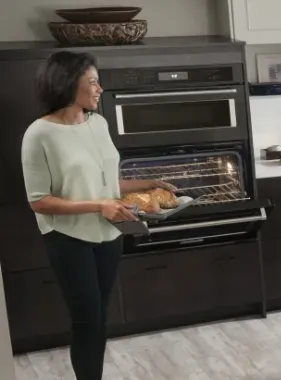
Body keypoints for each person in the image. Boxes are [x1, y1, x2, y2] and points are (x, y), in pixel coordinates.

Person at [21, 51, 174, 380]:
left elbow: (103, 181)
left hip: (109, 236)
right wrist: (98, 206)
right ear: (66, 84)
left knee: (99, 318)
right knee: (87, 319)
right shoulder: (39, 134)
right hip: (69, 239)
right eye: (92, 81)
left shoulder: (99, 123)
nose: (99, 88)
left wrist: (149, 182)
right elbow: (39, 200)